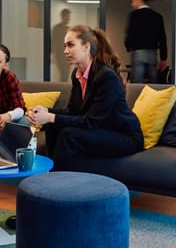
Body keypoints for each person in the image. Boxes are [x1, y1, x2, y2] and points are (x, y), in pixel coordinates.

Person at [27, 25, 144, 170]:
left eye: (70, 45)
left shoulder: (106, 76)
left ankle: (58, 182)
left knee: (68, 135)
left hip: (124, 137)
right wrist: (47, 111)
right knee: (53, 127)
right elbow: (72, 111)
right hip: (101, 130)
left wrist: (50, 117)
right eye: (65, 46)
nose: (65, 51)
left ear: (86, 47)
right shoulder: (77, 75)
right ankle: (50, 175)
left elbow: (91, 121)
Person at [124, 0, 168, 83]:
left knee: (137, 83)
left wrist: (128, 46)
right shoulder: (157, 16)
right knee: (152, 82)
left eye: (132, 1)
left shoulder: (134, 16)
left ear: (139, 0)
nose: (132, 4)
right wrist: (163, 58)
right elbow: (162, 38)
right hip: (152, 53)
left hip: (138, 52)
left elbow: (130, 34)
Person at [51, 8, 71, 82]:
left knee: (66, 75)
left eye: (69, 17)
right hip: (60, 55)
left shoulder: (69, 29)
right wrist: (53, 55)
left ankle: (64, 89)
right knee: (63, 74)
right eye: (68, 17)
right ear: (63, 17)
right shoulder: (57, 28)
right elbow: (54, 42)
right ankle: (62, 89)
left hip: (68, 55)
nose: (69, 19)